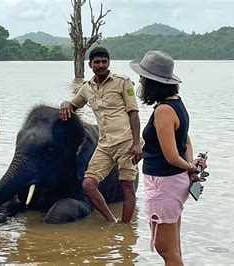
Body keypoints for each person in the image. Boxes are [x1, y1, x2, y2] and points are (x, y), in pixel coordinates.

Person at [129, 51, 206, 264]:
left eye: (143, 78)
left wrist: (188, 165)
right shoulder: (177, 104)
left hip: (164, 183)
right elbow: (186, 142)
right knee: (174, 246)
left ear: (153, 83)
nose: (140, 82)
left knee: (165, 247)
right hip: (174, 182)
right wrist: (190, 168)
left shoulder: (163, 110)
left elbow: (171, 156)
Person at [59, 47, 142, 223]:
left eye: (104, 61)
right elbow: (73, 106)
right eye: (97, 62)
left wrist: (136, 143)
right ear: (90, 65)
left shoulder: (123, 82)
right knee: (88, 184)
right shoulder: (86, 88)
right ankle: (112, 221)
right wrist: (65, 102)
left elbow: (133, 112)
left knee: (127, 185)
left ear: (109, 63)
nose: (101, 65)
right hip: (104, 144)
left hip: (125, 142)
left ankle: (126, 228)